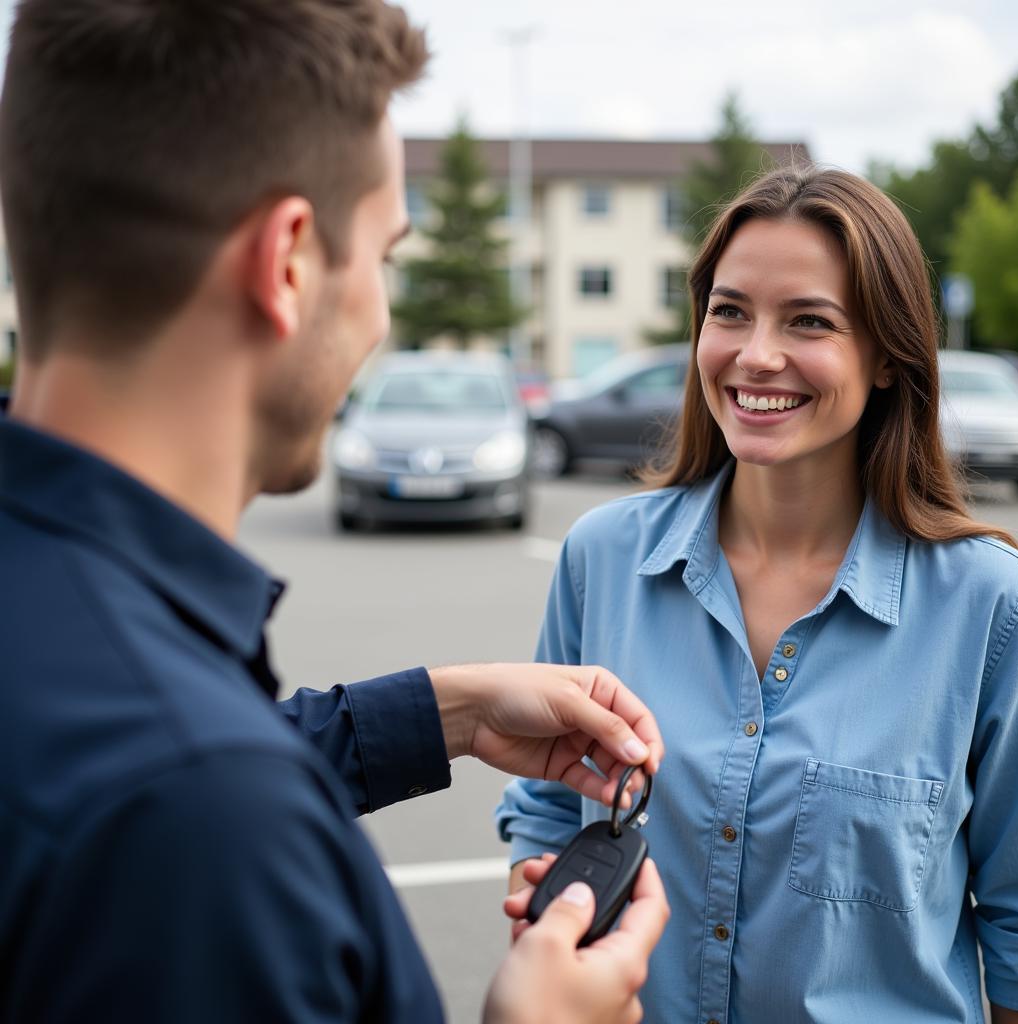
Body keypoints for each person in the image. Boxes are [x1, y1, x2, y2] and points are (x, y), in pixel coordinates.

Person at [0, 1, 671, 1021]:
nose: (382, 310)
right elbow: (178, 788)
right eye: (386, 256)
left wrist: (448, 710)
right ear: (289, 262)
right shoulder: (202, 823)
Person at [498, 167, 1018, 1023]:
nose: (755, 354)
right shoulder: (601, 559)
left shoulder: (991, 608)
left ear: (889, 356)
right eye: (730, 310)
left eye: (809, 320)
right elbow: (549, 812)